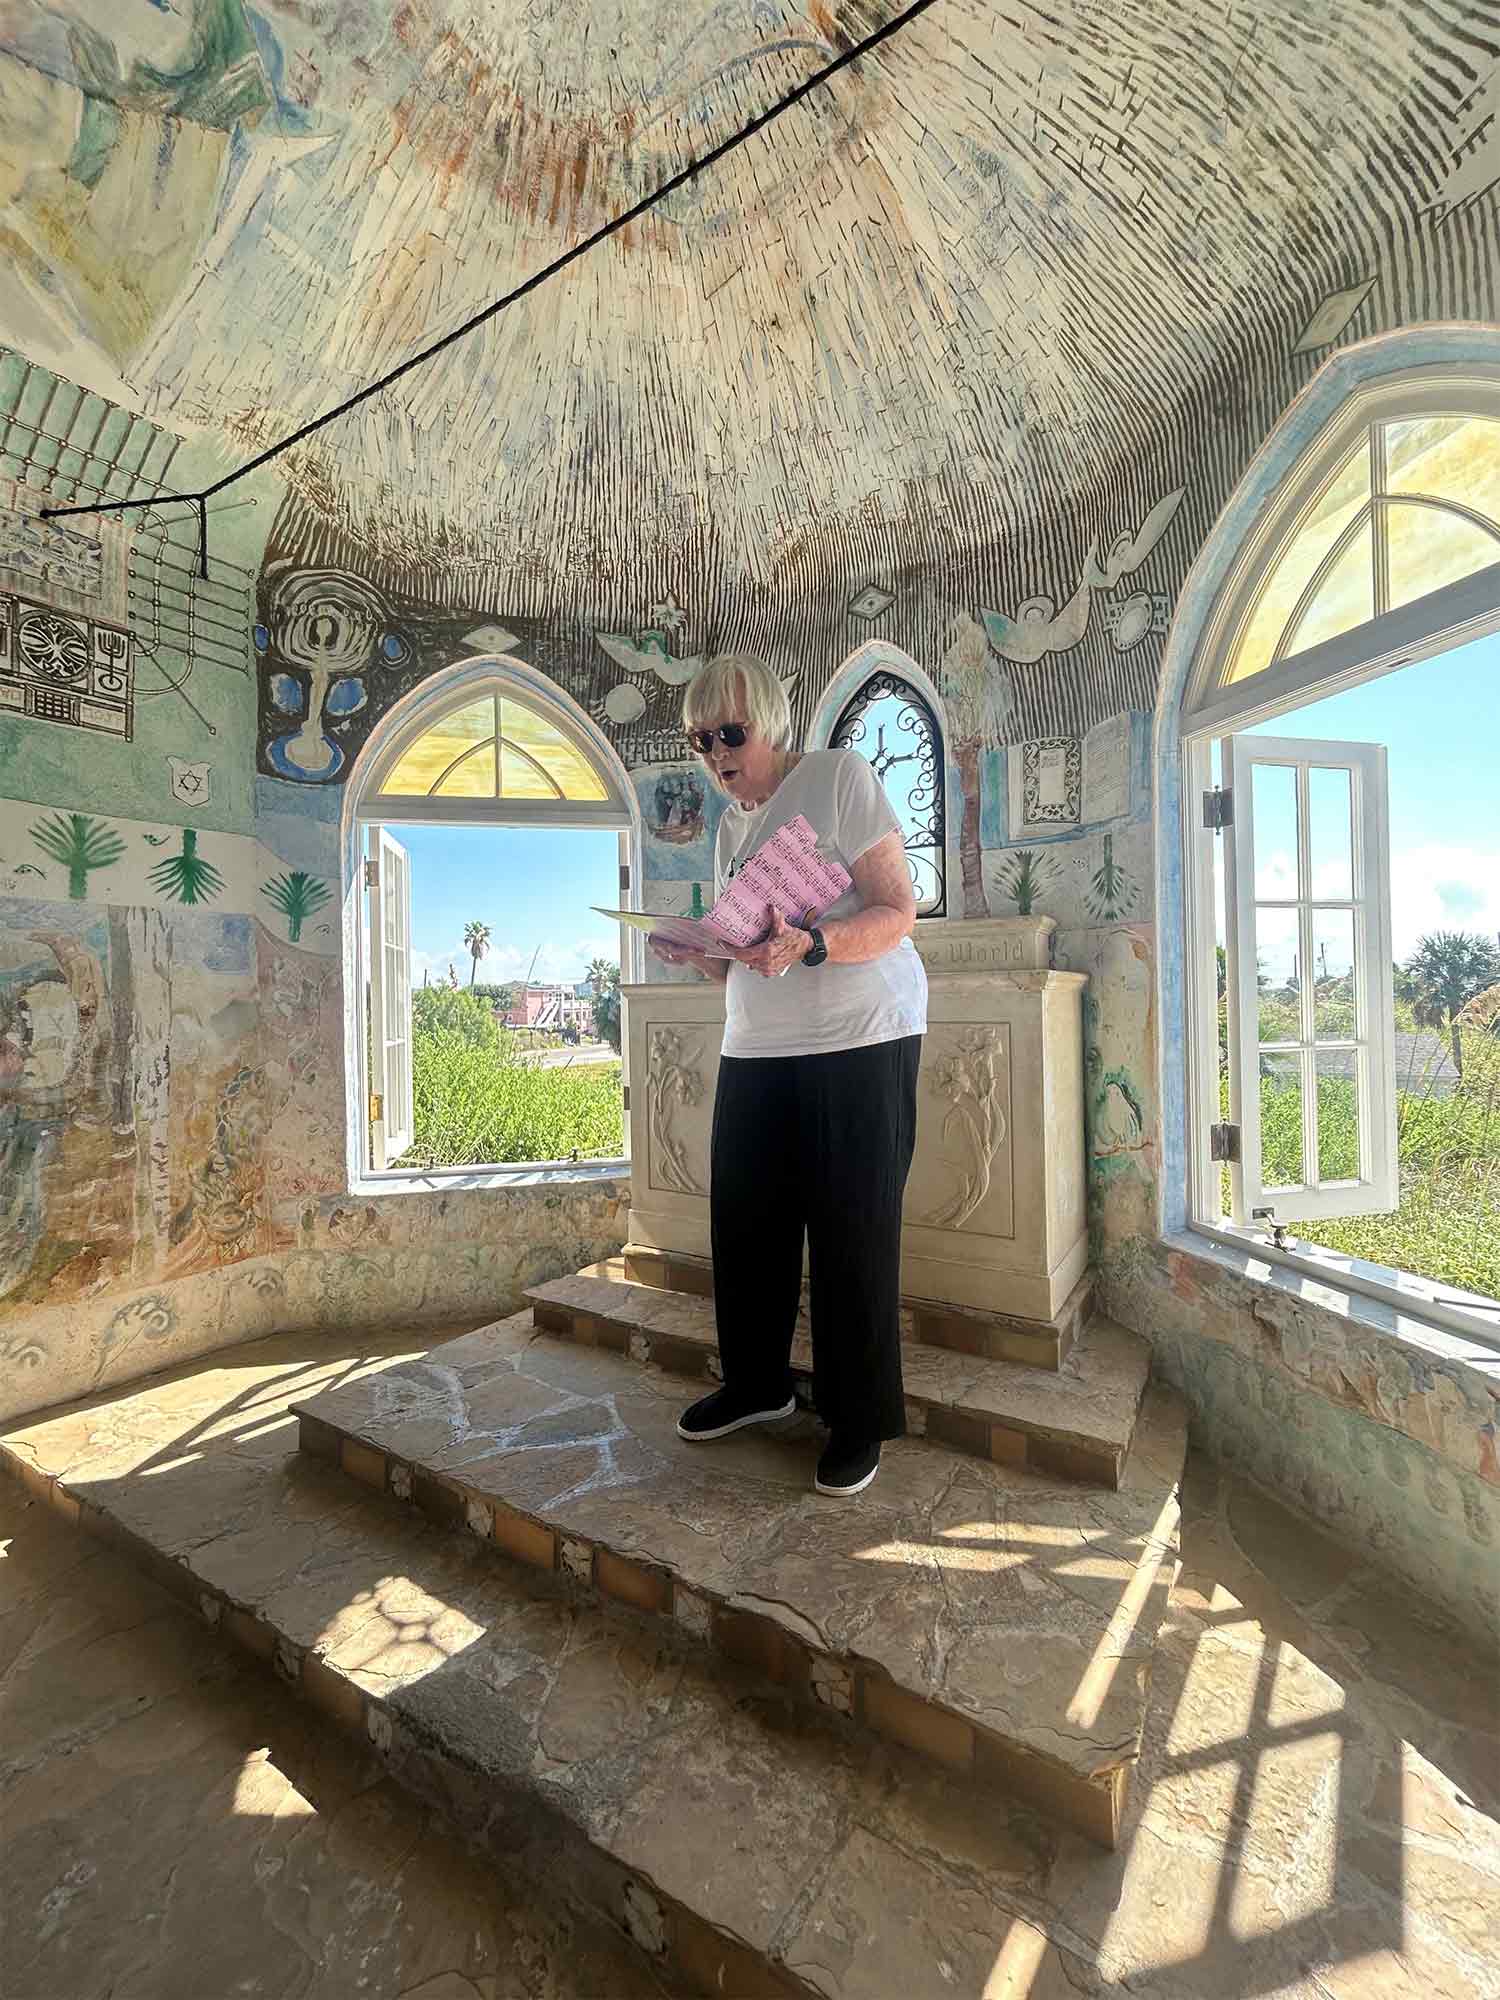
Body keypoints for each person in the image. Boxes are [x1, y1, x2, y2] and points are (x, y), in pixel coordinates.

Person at [652, 653, 927, 1497]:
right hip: (757, 1043)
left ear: (769, 722)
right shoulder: (731, 825)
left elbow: (897, 910)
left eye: (729, 734)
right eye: (701, 741)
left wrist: (814, 942)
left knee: (852, 1231)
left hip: (860, 1033)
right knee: (747, 1223)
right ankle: (758, 1385)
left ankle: (857, 1417)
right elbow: (747, 947)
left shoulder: (840, 777)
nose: (716, 754)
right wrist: (705, 953)